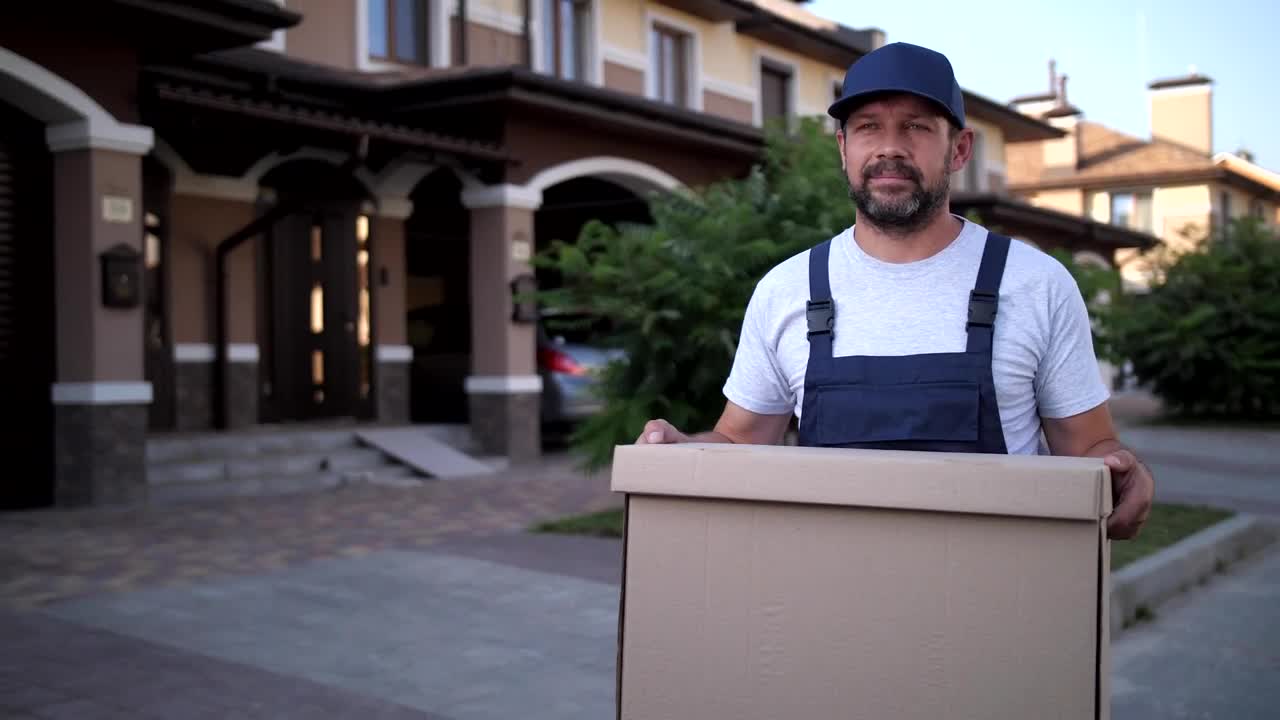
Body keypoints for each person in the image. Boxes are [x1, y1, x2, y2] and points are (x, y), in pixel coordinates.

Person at [635, 42, 1154, 539]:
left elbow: (1088, 449)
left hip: (992, 603)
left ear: (960, 149)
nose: (889, 148)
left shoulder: (1036, 284)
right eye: (867, 128)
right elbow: (740, 441)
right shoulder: (787, 289)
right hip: (829, 602)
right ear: (842, 148)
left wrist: (1124, 472)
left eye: (916, 127)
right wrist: (686, 453)